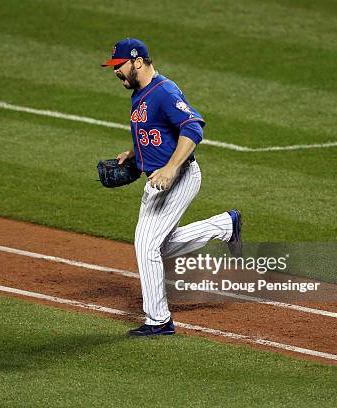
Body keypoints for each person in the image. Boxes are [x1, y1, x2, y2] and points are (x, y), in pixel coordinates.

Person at [101, 38, 242, 336]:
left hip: (179, 177)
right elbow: (154, 132)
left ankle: (159, 320)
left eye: (119, 65)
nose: (115, 72)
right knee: (160, 245)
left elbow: (193, 127)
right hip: (158, 181)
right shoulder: (138, 93)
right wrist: (133, 153)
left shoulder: (164, 91)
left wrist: (170, 167)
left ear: (137, 61)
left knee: (146, 244)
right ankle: (225, 226)